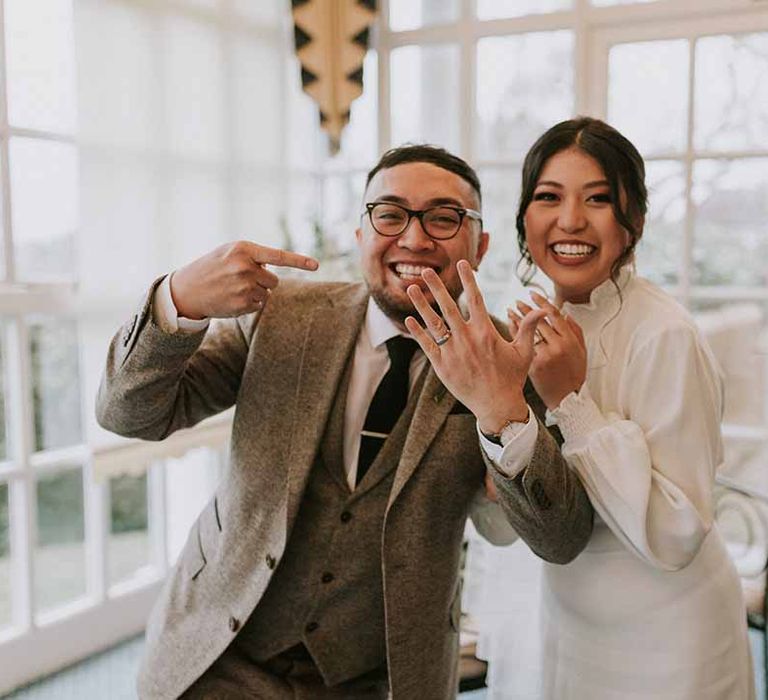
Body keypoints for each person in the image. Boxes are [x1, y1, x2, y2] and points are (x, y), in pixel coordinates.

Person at [96, 144, 594, 700]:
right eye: (389, 213)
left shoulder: (509, 356)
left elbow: (561, 538)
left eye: (444, 217)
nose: (414, 238)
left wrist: (502, 410)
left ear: (479, 246)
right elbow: (129, 413)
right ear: (361, 235)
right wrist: (178, 298)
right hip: (221, 652)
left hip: (379, 677)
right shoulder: (278, 317)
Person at [405, 119, 754, 699]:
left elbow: (676, 533)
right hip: (566, 621)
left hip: (666, 636)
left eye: (598, 199)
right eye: (548, 197)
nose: (570, 220)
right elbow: (508, 526)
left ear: (633, 221)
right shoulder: (530, 326)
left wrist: (571, 401)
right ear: (524, 221)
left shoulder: (666, 335)